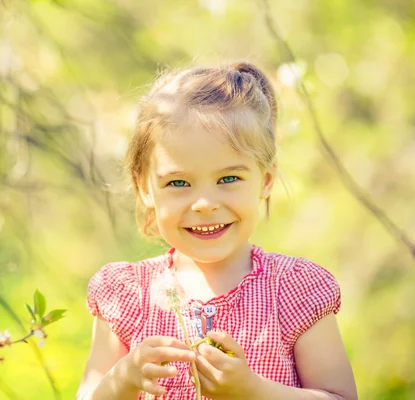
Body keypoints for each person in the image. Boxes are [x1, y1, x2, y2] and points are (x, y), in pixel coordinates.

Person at [76, 63, 357, 400]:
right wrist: (121, 381)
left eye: (228, 179)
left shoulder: (294, 290)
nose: (205, 203)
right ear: (145, 188)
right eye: (178, 182)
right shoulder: (126, 294)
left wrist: (253, 391)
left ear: (265, 180)